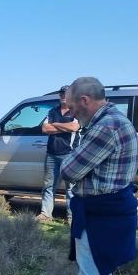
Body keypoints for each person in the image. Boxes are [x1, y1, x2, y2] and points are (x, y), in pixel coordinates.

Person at [29, 77, 138, 275]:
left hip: (103, 216)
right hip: (106, 213)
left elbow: (70, 169)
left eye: (71, 104)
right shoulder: (111, 121)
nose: (69, 110)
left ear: (86, 101)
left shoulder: (105, 127)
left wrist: (72, 160)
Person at [38, 86, 79, 223]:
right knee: (48, 186)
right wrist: (63, 127)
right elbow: (44, 128)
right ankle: (46, 214)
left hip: (70, 154)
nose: (63, 96)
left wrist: (54, 125)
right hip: (51, 154)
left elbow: (74, 127)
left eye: (66, 93)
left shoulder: (76, 111)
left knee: (71, 188)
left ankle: (72, 217)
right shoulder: (52, 111)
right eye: (62, 93)